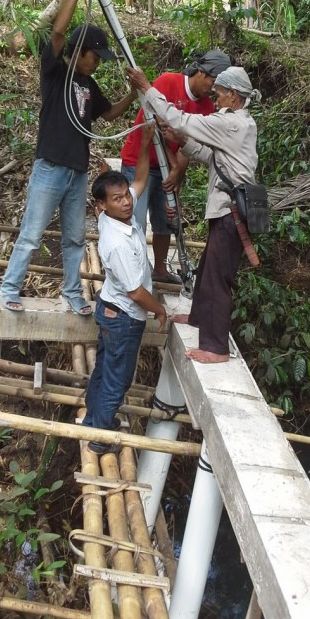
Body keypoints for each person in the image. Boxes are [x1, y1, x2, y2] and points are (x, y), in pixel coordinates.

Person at [0, 0, 137, 314]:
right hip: (50, 167)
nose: (97, 62)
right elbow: (58, 33)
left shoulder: (89, 84)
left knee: (75, 238)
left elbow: (109, 114)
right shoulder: (55, 72)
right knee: (32, 234)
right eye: (94, 56)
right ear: (79, 51)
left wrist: (134, 94)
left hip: (77, 171)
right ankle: (10, 288)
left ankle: (73, 293)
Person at [127, 65, 260, 364]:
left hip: (230, 212)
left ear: (234, 96)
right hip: (226, 211)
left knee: (217, 278)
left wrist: (147, 87)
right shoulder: (241, 123)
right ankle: (198, 316)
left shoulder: (231, 123)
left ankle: (215, 348)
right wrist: (182, 139)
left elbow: (181, 118)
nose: (216, 99)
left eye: (220, 94)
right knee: (209, 269)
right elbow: (211, 157)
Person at [82, 125, 167, 454]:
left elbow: (141, 180)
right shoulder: (116, 241)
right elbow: (135, 293)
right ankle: (101, 438)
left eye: (126, 196)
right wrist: (159, 309)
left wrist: (144, 144)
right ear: (102, 205)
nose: (127, 202)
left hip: (110, 309)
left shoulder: (112, 216)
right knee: (117, 380)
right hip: (123, 317)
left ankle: (94, 420)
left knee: (104, 370)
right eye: (117, 199)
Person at [120, 51, 231, 284]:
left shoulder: (206, 107)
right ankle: (135, 274)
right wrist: (173, 165)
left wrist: (176, 174)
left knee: (165, 218)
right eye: (213, 82)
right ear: (201, 73)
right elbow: (155, 124)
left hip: (166, 169)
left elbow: (187, 146)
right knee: (134, 219)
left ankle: (160, 269)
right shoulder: (168, 82)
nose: (213, 90)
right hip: (138, 160)